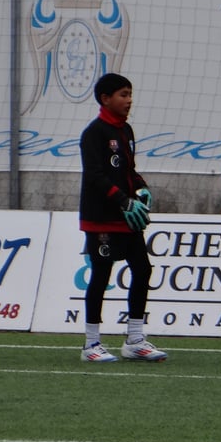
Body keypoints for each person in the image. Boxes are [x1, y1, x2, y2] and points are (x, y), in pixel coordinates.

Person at [78, 72, 167, 363]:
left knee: (142, 269)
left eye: (130, 95)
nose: (129, 100)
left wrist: (141, 188)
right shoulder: (94, 133)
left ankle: (135, 340)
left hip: (127, 219)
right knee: (101, 275)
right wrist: (123, 199)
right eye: (123, 95)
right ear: (105, 99)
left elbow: (128, 169)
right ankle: (91, 344)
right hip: (101, 219)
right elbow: (95, 176)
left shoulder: (125, 130)